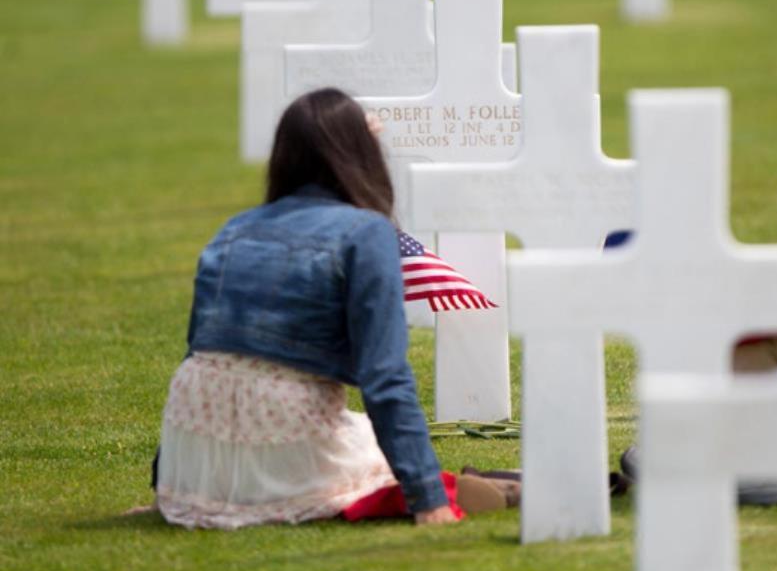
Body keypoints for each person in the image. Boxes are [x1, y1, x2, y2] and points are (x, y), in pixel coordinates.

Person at [154, 88, 510, 529]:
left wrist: (173, 481)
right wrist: (428, 498)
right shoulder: (365, 232)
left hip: (195, 433)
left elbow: (204, 355)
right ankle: (463, 488)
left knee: (360, 438)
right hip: (278, 427)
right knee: (373, 454)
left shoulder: (235, 228)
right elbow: (385, 376)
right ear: (362, 154)